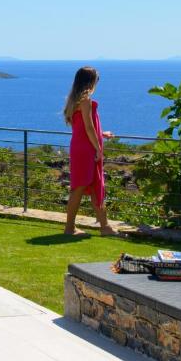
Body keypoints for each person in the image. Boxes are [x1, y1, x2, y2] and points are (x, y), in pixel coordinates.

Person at [63, 66, 116, 236]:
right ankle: (70, 228)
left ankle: (105, 227)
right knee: (79, 187)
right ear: (90, 81)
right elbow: (88, 127)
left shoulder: (74, 100)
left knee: (93, 186)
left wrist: (102, 134)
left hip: (80, 147)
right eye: (96, 80)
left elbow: (81, 128)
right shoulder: (85, 100)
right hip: (87, 151)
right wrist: (98, 149)